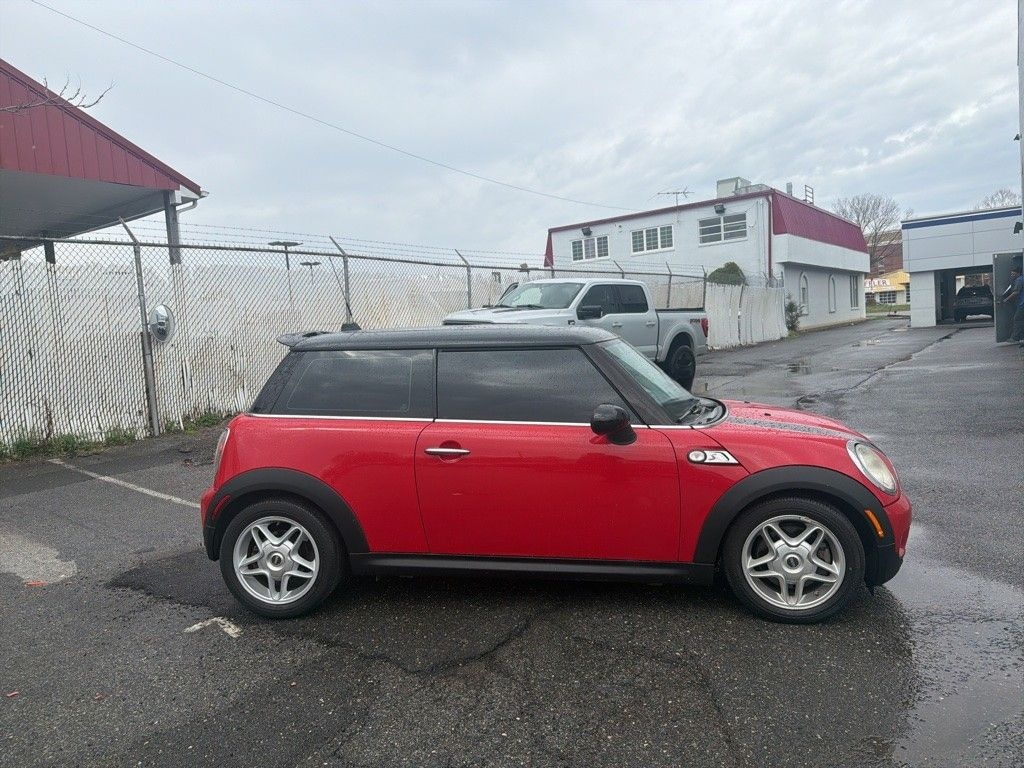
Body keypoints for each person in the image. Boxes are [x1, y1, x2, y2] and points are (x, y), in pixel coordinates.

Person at [1002, 267, 1024, 345]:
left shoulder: (1019, 280)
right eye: (1011, 274)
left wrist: (1006, 299)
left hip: (1022, 304)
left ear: (1018, 273)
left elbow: (1016, 292)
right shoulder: (1021, 278)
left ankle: (1015, 337)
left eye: (1013, 274)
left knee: (1017, 319)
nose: (1012, 275)